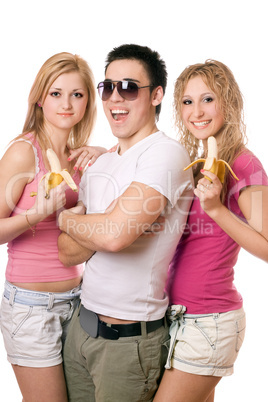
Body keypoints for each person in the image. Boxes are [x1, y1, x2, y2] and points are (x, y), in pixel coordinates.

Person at [58, 43, 194, 402]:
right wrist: (103, 225)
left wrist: (67, 220)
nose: (116, 98)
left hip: (128, 344)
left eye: (130, 87)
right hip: (79, 331)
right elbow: (68, 253)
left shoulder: (165, 154)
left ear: (156, 95)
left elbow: (116, 235)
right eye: (108, 87)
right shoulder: (100, 164)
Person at [153, 60, 268, 402]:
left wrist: (216, 210)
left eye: (208, 99)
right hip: (179, 317)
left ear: (228, 103)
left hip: (209, 322)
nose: (196, 111)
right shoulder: (200, 162)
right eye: (187, 102)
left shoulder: (244, 164)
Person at [0, 52, 104, 402]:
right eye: (57, 93)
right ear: (40, 98)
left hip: (79, 302)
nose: (67, 103)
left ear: (88, 100)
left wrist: (104, 155)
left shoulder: (80, 157)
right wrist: (35, 214)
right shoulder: (23, 152)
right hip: (31, 308)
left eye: (77, 94)